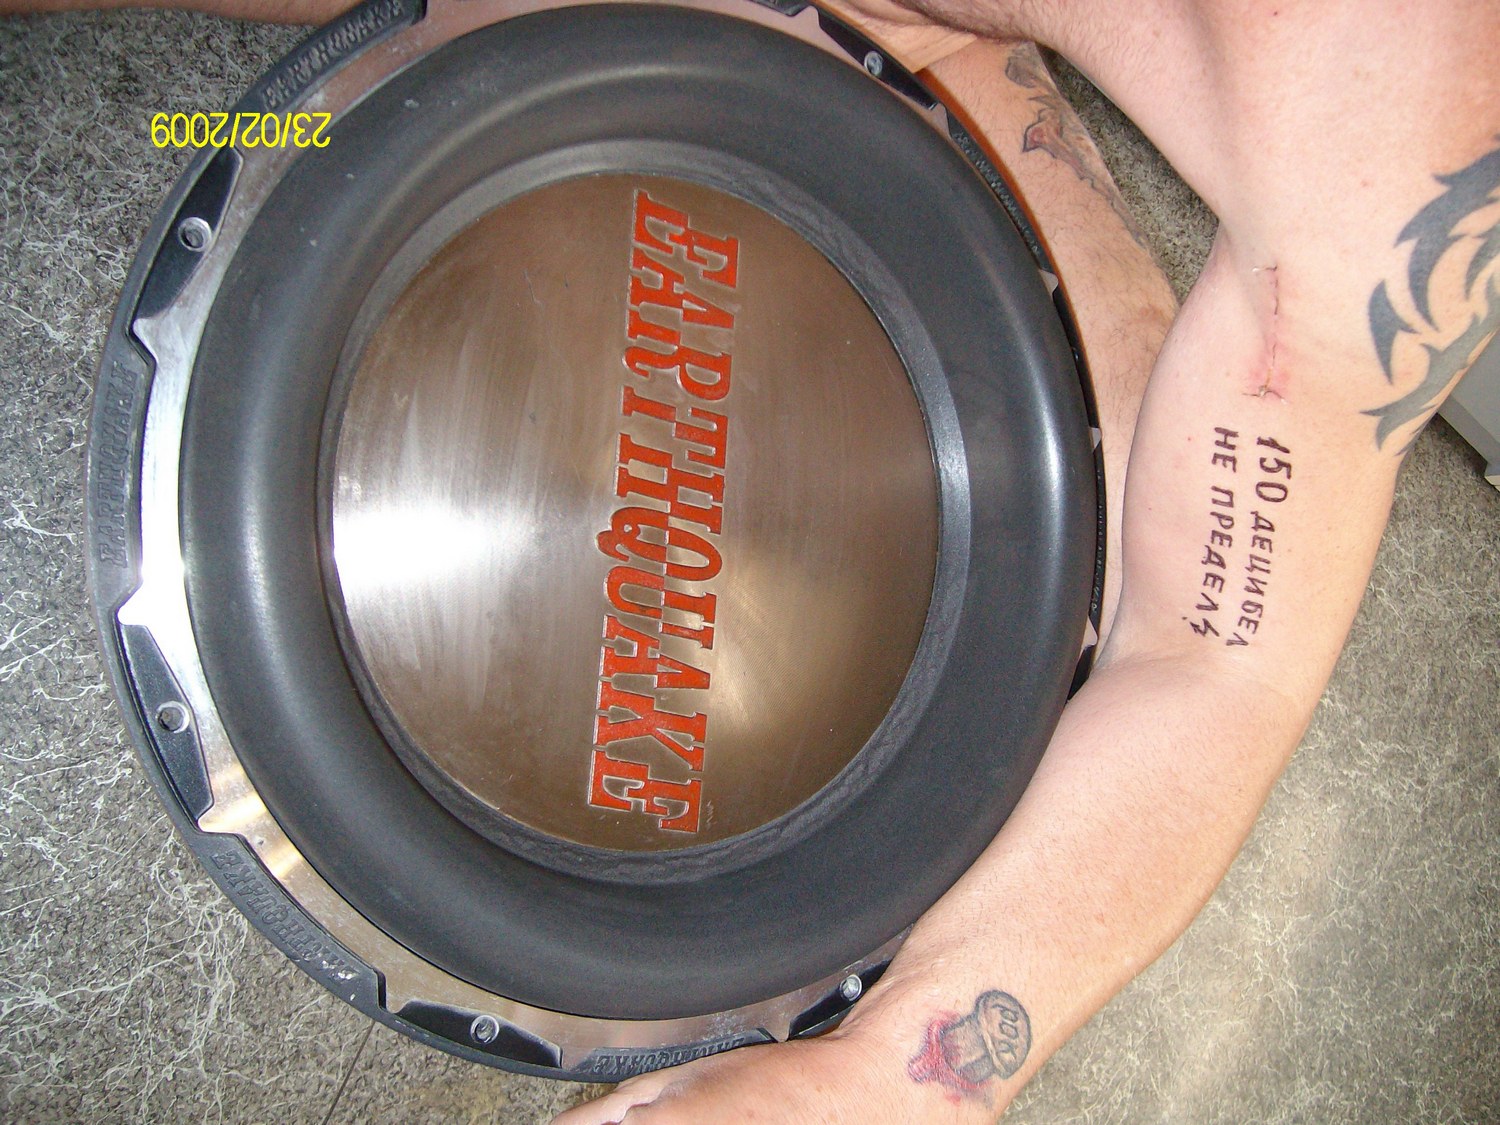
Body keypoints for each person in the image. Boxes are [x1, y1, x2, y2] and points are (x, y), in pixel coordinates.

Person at [16, 0, 1492, 1118]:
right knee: (250, 130)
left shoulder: (1398, 139)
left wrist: (895, 1084)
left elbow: (1218, 656)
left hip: (909, 53)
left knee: (1105, 449)